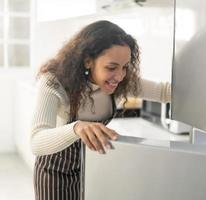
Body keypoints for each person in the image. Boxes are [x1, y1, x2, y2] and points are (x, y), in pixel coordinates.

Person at [30, 20, 171, 200]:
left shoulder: (122, 82)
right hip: (54, 174)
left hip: (94, 169)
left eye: (125, 67)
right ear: (88, 61)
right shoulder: (54, 82)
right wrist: (77, 128)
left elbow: (165, 92)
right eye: (111, 67)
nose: (119, 76)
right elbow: (36, 142)